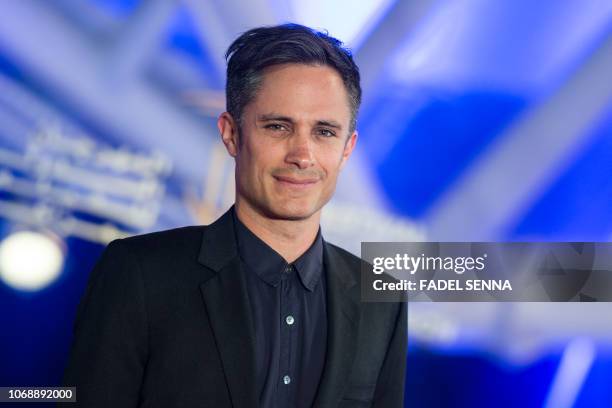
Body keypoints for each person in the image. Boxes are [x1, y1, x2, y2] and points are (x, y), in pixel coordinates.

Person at [62, 23, 407, 408]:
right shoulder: (141, 274)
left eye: (324, 132)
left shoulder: (380, 299)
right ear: (231, 134)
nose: (303, 155)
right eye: (278, 126)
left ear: (347, 149)